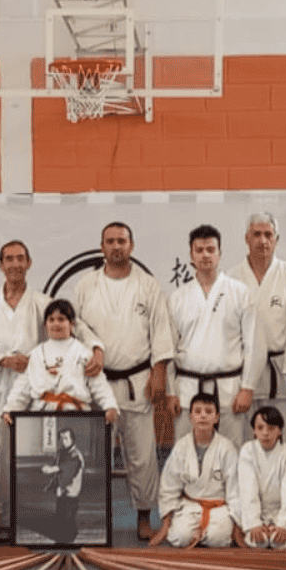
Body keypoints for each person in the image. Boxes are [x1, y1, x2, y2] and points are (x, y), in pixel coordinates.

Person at [0, 240, 102, 539]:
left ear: (29, 263)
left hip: (32, 388)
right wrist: (4, 359)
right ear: (0, 265)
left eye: (20, 259)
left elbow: (76, 329)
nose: (14, 264)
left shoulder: (42, 303)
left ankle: (23, 516)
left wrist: (96, 348)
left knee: (30, 452)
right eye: (8, 259)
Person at [71, 221, 175, 541]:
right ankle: (93, 517)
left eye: (122, 241)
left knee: (142, 454)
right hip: (99, 383)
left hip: (137, 379)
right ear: (101, 246)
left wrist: (159, 372)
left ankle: (143, 515)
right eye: (110, 241)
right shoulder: (86, 286)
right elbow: (76, 325)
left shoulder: (148, 285)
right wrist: (95, 348)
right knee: (93, 454)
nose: (116, 246)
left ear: (132, 245)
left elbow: (160, 330)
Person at [168, 225, 260, 447]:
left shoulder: (240, 293)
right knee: (186, 452)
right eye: (199, 250)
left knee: (233, 452)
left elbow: (253, 344)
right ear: (191, 255)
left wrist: (247, 388)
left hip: (229, 390)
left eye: (211, 249)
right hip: (188, 390)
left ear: (220, 253)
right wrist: (171, 391)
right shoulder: (178, 297)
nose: (205, 255)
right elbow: (167, 348)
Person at [225, 211, 286, 449]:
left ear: (277, 239)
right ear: (246, 239)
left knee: (284, 439)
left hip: (280, 370)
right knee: (245, 441)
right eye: (256, 234)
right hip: (243, 373)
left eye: (268, 234)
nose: (263, 240)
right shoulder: (231, 278)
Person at [2, 300, 120, 418]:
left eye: (61, 319)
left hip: (76, 415)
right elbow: (22, 387)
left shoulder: (83, 353)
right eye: (51, 320)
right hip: (40, 415)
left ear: (72, 324)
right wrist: (10, 409)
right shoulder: (35, 354)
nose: (56, 324)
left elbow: (99, 385)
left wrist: (110, 406)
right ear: (45, 325)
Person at [150, 392, 238, 548]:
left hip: (219, 508)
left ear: (217, 418)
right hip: (190, 505)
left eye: (209, 412)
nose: (203, 416)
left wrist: (237, 530)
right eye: (197, 412)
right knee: (179, 538)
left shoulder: (227, 448)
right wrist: (165, 527)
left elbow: (235, 491)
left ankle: (209, 534)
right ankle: (196, 533)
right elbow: (169, 487)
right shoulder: (181, 447)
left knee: (218, 539)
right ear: (190, 417)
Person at [232, 405, 286, 549]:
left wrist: (284, 525)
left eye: (271, 428)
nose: (265, 433)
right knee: (258, 542)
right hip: (257, 513)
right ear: (254, 430)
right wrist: (254, 524)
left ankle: (283, 529)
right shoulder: (248, 451)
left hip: (281, 512)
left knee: (280, 544)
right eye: (260, 428)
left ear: (280, 431)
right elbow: (248, 490)